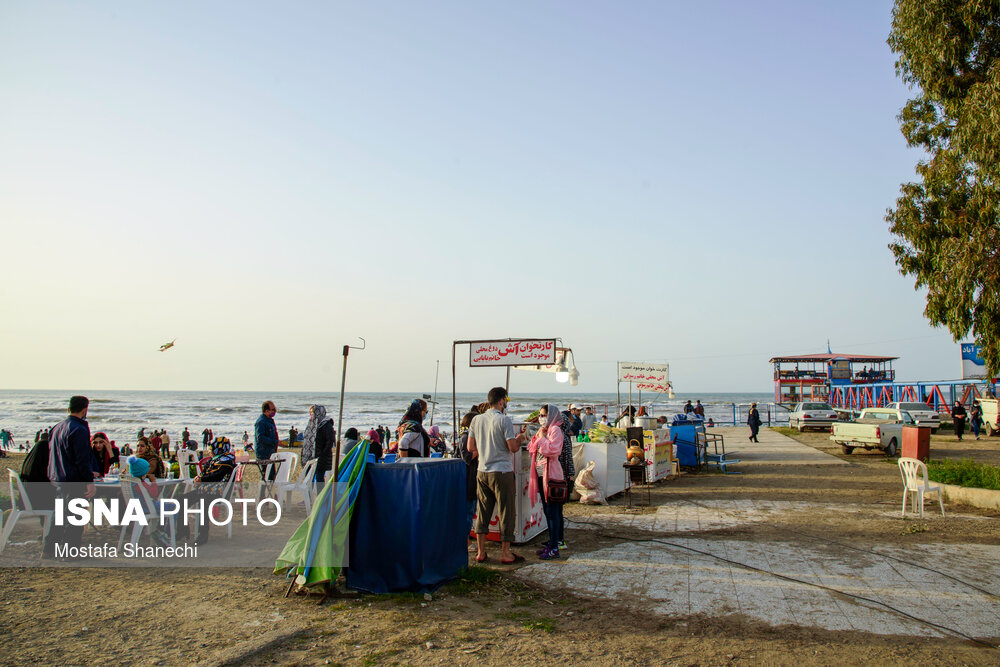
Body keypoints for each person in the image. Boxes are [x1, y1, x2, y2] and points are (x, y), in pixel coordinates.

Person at [467, 387, 528, 565]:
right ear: (501, 401)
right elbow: (513, 447)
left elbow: (471, 448)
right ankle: (506, 553)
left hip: (482, 471)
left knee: (483, 512)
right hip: (502, 471)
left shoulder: (476, 420)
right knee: (506, 512)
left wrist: (486, 449)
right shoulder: (504, 420)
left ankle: (481, 552)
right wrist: (521, 437)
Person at [44, 396, 97, 558]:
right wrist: (89, 481)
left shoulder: (57, 427)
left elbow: (54, 453)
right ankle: (70, 552)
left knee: (59, 515)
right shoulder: (79, 429)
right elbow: (81, 459)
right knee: (75, 516)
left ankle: (50, 549)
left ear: (69, 409)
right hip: (73, 478)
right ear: (85, 410)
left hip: (58, 476)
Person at [529, 404, 575, 560]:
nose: (541, 418)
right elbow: (532, 448)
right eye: (540, 415)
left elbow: (553, 450)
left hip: (552, 476)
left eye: (543, 415)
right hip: (542, 476)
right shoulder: (545, 430)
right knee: (548, 512)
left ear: (551, 416)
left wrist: (541, 440)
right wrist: (538, 437)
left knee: (553, 512)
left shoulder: (555, 430)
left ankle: (555, 546)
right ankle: (551, 543)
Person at [456, 412, 478, 535]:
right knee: (468, 511)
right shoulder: (465, 437)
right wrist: (479, 450)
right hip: (467, 479)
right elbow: (467, 458)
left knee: (471, 510)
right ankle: (465, 540)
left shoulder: (469, 436)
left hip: (471, 478)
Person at [301, 404, 334, 483]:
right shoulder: (311, 424)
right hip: (309, 456)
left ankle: (320, 495)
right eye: (310, 413)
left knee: (319, 478)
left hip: (321, 457)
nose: (311, 415)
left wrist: (322, 454)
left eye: (313, 413)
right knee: (308, 478)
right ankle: (309, 495)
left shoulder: (326, 424)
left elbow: (330, 441)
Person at [254, 401, 280, 481]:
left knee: (271, 475)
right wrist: (275, 442)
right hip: (263, 453)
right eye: (272, 410)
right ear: (266, 411)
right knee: (267, 476)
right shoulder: (261, 422)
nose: (274, 412)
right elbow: (260, 438)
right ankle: (264, 493)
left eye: (275, 410)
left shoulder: (270, 420)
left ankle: (270, 492)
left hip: (270, 452)